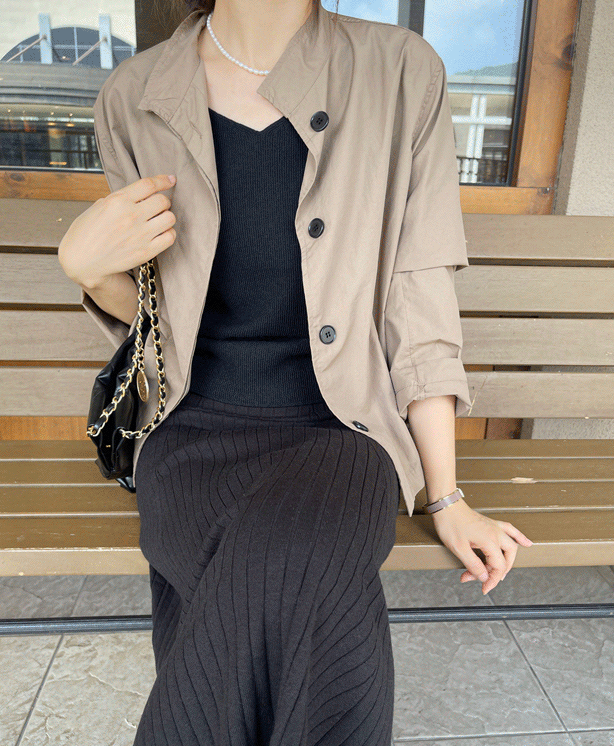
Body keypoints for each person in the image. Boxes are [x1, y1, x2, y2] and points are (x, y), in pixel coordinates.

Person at [58, 1, 533, 743]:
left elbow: (419, 297)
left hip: (341, 428)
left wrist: (445, 496)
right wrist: (86, 269)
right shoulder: (133, 94)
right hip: (189, 431)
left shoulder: (399, 71)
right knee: (285, 584)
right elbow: (154, 314)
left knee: (292, 561)